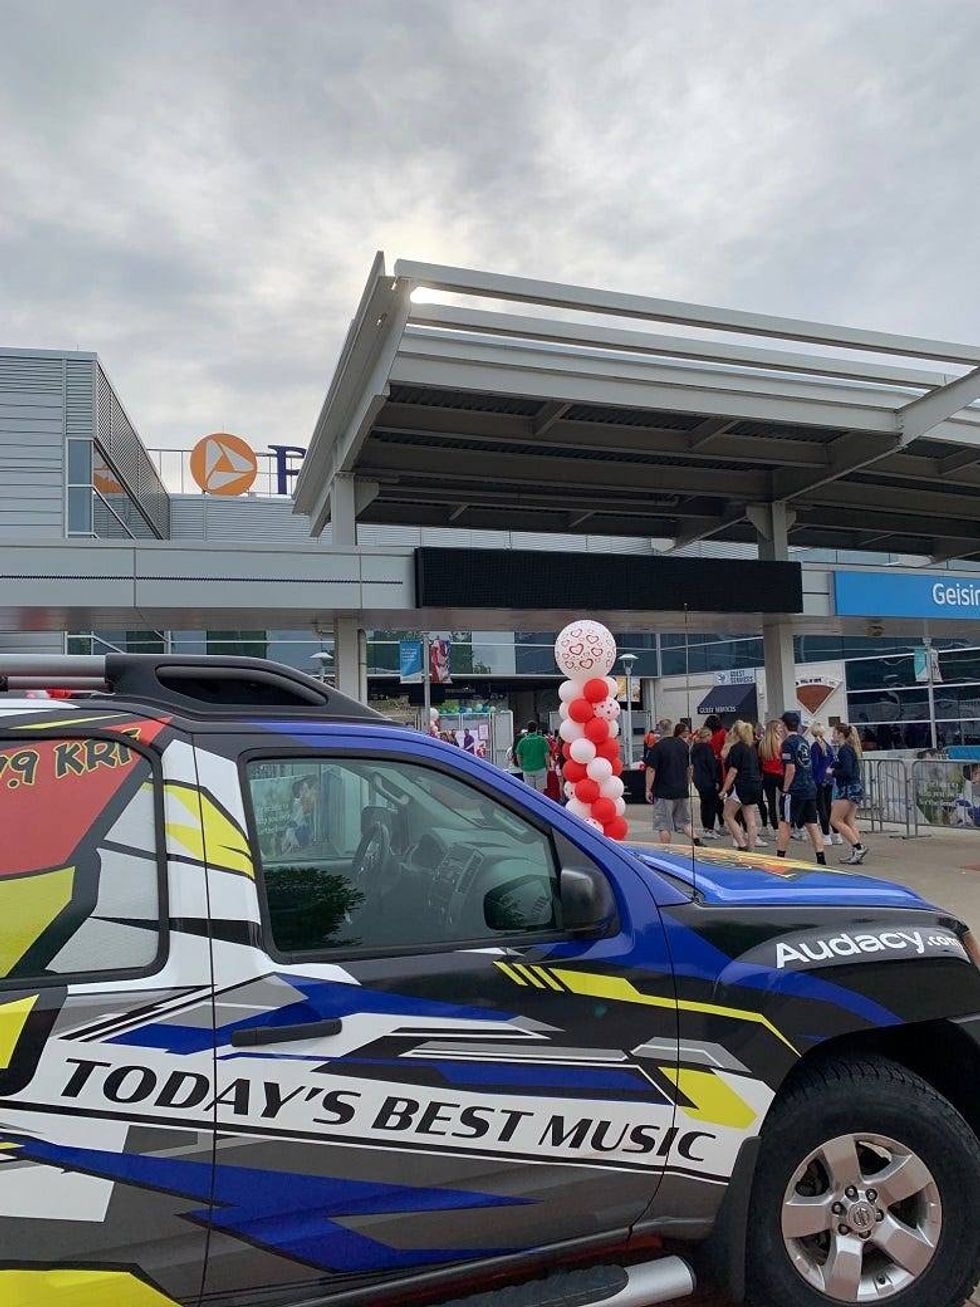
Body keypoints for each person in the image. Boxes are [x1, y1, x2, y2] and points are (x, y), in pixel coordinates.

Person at [776, 711, 827, 866]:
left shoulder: (788, 744)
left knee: (785, 823)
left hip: (795, 789)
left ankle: (780, 857)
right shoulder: (803, 741)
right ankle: (820, 856)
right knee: (811, 823)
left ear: (784, 725)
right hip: (809, 787)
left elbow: (790, 769)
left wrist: (785, 790)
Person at [645, 722, 700, 847]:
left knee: (664, 825)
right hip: (681, 789)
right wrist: (687, 782)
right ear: (671, 729)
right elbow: (690, 767)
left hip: (664, 791)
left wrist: (648, 789)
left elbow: (651, 769)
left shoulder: (657, 747)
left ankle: (666, 850)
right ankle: (696, 839)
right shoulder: (683, 745)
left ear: (659, 730)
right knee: (684, 822)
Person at [720, 720, 763, 852]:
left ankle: (741, 843)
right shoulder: (752, 748)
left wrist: (724, 790)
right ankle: (752, 847)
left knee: (727, 814)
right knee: (750, 817)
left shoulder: (736, 749)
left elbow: (733, 771)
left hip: (741, 785)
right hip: (755, 784)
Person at [830, 723, 867, 863]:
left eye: (834, 732)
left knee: (835, 820)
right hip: (854, 787)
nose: (832, 735)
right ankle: (856, 851)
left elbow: (847, 771)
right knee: (849, 820)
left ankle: (858, 847)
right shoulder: (848, 750)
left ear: (840, 734)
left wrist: (832, 772)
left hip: (847, 788)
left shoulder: (844, 750)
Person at [691, 726, 721, 839]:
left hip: (698, 778)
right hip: (708, 778)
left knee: (704, 803)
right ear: (707, 736)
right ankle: (710, 828)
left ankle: (705, 828)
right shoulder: (707, 748)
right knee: (712, 804)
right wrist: (716, 780)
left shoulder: (694, 748)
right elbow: (711, 765)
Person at [810, 723, 837, 847]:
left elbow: (814, 765)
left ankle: (826, 835)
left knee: (821, 808)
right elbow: (832, 762)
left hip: (819, 779)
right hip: (829, 778)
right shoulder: (829, 747)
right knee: (828, 806)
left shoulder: (815, 747)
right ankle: (836, 834)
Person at [759, 720, 784, 836]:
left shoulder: (763, 743)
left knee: (771, 802)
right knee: (783, 801)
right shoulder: (781, 742)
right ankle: (787, 825)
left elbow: (760, 760)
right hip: (780, 774)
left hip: (767, 775)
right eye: (779, 727)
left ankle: (775, 829)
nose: (781, 729)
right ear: (774, 729)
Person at [516, 722, 552, 792]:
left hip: (527, 769)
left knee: (530, 792)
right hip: (540, 768)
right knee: (540, 793)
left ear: (528, 729)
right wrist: (547, 766)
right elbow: (546, 755)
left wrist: (521, 766)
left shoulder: (522, 741)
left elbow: (518, 755)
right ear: (536, 729)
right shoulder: (542, 740)